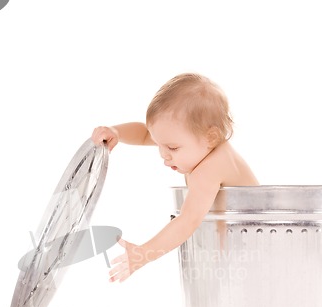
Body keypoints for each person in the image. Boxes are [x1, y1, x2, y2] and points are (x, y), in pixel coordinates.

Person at [91, 73, 259, 283]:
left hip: (256, 252)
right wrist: (117, 132)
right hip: (235, 252)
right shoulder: (199, 145)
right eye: (159, 144)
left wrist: (144, 254)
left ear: (211, 137)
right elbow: (144, 134)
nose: (163, 153)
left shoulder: (210, 168)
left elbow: (188, 220)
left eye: (172, 147)